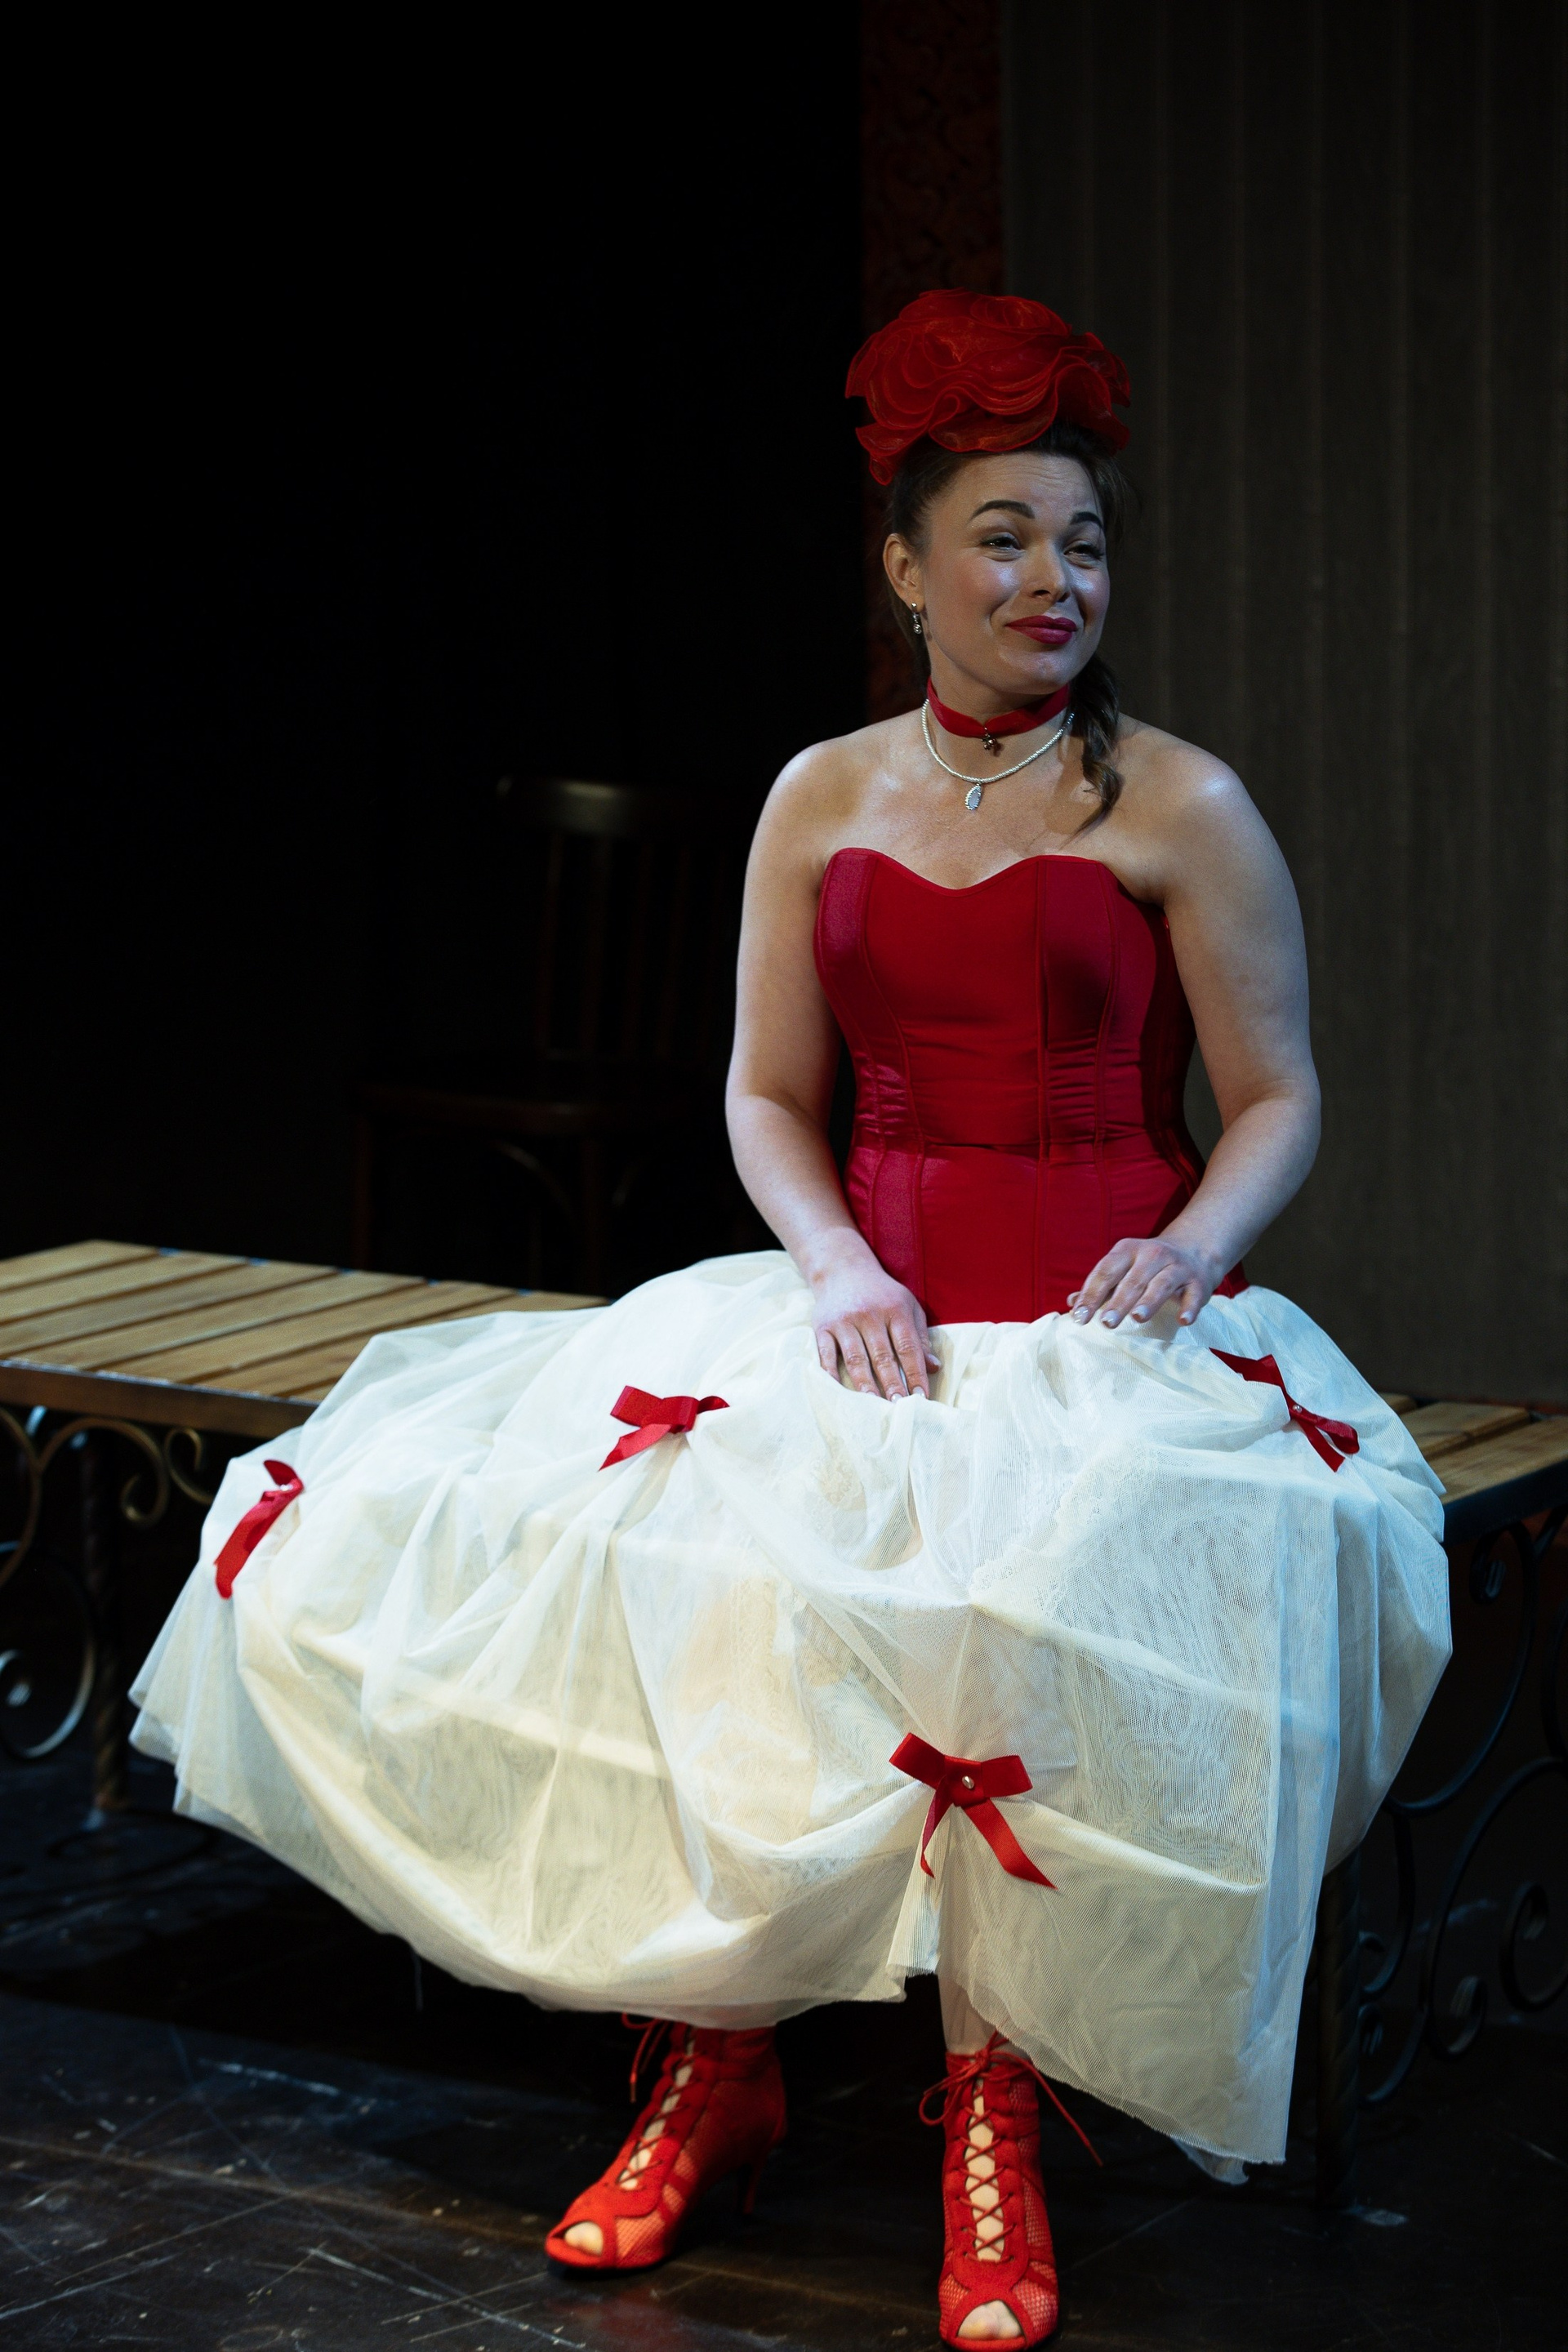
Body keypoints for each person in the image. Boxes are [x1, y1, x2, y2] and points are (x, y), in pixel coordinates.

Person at [131, 290, 1450, 2348]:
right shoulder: (821, 794)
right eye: (1003, 538)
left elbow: (1276, 1095)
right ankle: (715, 2062)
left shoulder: (1179, 803)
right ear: (907, 569)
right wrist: (836, 1268)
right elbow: (765, 1094)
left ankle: (996, 2108)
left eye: (1085, 541)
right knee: (704, 1582)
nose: (1054, 577)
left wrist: (1193, 1251)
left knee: (1017, 1625)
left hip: (1099, 1335)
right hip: (866, 1314)